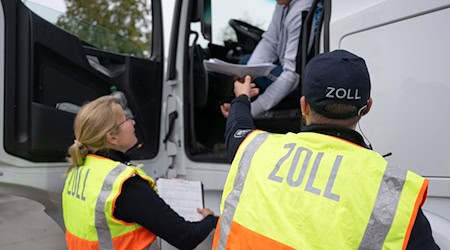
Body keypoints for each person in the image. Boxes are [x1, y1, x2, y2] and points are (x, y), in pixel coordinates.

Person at [213, 50, 440, 249]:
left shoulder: (257, 150)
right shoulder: (390, 194)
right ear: (367, 107)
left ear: (304, 106)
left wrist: (242, 96)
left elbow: (237, 129)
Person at [62, 96, 217, 250]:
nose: (133, 122)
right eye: (126, 119)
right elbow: (186, 237)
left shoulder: (79, 168)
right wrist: (210, 219)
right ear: (112, 137)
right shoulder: (126, 185)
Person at [221, 0, 313, 118]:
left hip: (302, 82)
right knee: (246, 63)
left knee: (246, 64)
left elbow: (292, 75)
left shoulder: (301, 11)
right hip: (288, 68)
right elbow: (271, 41)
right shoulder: (283, 4)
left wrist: (249, 111)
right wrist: (248, 75)